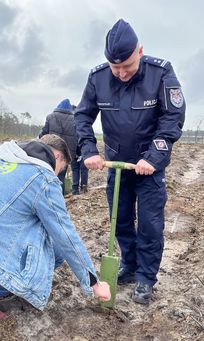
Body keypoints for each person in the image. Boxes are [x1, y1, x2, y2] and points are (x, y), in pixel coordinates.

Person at [0, 134, 111, 321]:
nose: (57, 174)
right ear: (57, 156)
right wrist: (94, 283)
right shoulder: (43, 179)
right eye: (61, 169)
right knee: (54, 251)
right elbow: (65, 235)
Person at [74, 19, 185, 304]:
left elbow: (172, 118)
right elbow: (83, 116)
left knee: (149, 225)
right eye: (115, 67)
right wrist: (89, 150)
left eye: (127, 66)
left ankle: (146, 278)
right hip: (117, 168)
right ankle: (130, 266)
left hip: (149, 170)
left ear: (140, 51)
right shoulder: (98, 78)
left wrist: (153, 157)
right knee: (120, 222)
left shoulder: (160, 73)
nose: (121, 73)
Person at [39, 99, 78, 194]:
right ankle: (59, 197)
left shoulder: (50, 117)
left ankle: (47, 196)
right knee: (61, 176)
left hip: (50, 152)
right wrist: (77, 152)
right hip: (66, 154)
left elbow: (43, 134)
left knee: (48, 175)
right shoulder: (75, 120)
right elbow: (77, 137)